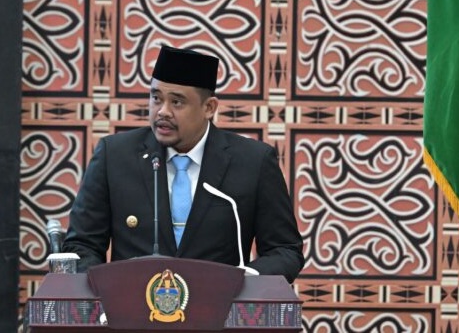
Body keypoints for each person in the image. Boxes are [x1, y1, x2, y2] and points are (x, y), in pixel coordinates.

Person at [62, 45, 304, 283]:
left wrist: (244, 281)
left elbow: (285, 250)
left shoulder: (253, 162)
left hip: (219, 306)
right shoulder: (114, 156)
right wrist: (105, 290)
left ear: (209, 108)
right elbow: (82, 245)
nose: (162, 111)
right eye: (156, 98)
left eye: (177, 102)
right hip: (130, 306)